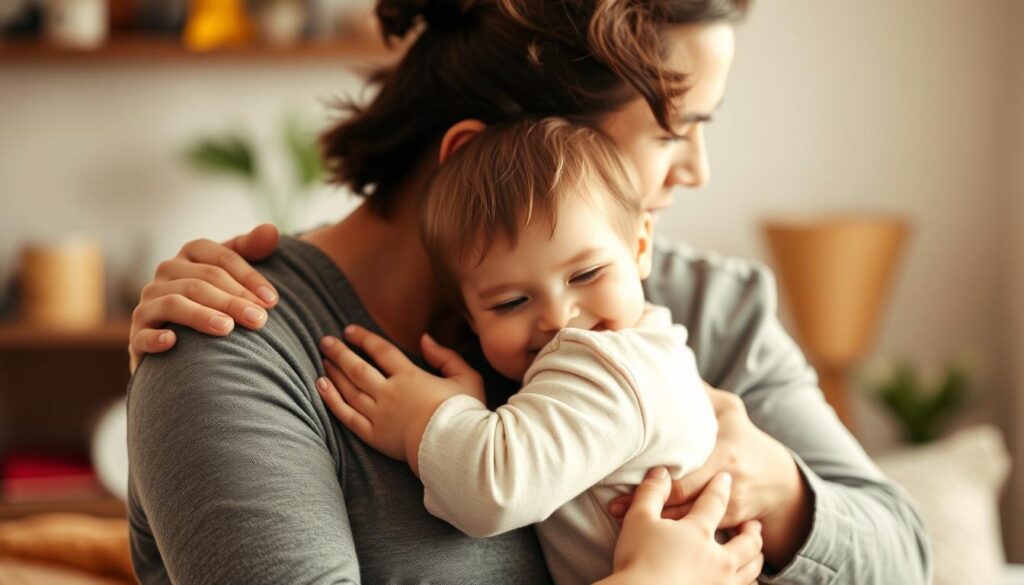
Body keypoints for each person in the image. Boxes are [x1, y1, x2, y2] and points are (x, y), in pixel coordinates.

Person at [126, 1, 931, 583]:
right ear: (489, 156)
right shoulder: (235, 346)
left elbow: (905, 556)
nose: (696, 171)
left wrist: (772, 485)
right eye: (670, 130)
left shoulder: (702, 304)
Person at [315, 116, 722, 585]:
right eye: (510, 302)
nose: (558, 317)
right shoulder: (652, 346)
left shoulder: (606, 364)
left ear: (640, 247)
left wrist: (423, 420)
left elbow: (494, 493)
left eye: (586, 274)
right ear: (470, 318)